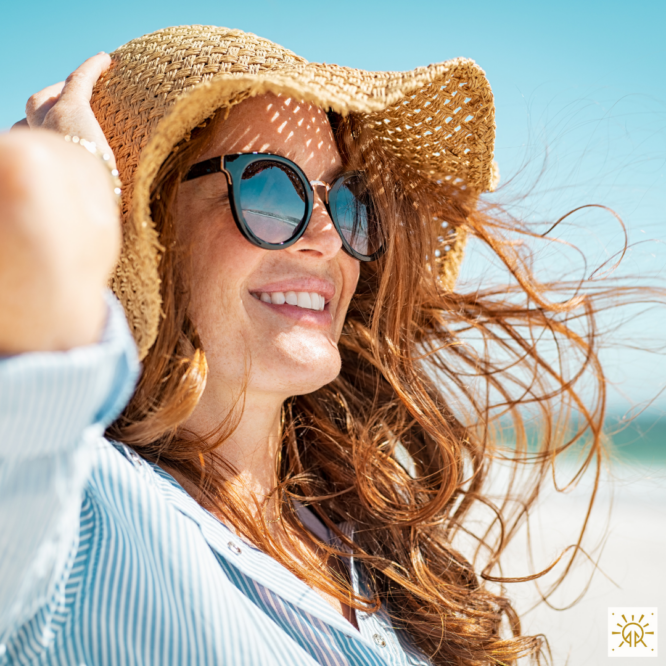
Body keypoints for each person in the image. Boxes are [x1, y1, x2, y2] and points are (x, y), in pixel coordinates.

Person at [0, 25, 618, 665]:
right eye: (270, 188)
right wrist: (76, 181)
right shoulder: (75, 516)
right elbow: (21, 209)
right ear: (146, 223)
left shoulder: (371, 549)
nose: (327, 238)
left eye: (348, 200)